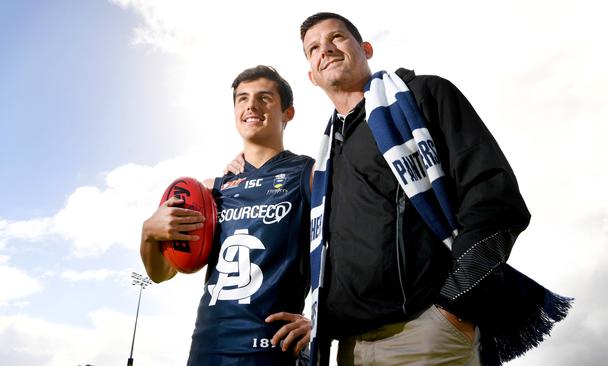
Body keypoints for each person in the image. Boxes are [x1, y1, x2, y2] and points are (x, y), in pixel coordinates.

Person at [298, 12, 572, 366]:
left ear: (365, 48)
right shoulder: (327, 159)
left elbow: (493, 197)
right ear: (311, 75)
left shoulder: (421, 96)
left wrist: (456, 304)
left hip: (426, 336)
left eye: (337, 37)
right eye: (314, 48)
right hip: (350, 349)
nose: (326, 49)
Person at [140, 65, 314, 366]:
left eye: (264, 98)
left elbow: (343, 250)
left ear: (288, 112)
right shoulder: (211, 191)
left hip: (273, 348)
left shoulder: (309, 173)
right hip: (209, 347)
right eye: (242, 98)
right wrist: (148, 234)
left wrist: (320, 319)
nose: (251, 106)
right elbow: (161, 273)